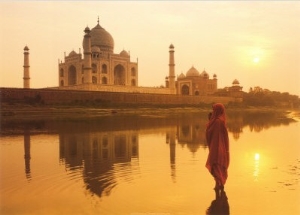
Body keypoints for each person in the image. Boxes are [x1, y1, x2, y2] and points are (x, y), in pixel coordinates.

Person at [205, 103, 230, 190]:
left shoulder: (217, 122)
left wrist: (210, 122)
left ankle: (219, 184)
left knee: (215, 164)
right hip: (221, 148)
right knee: (217, 165)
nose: (213, 111)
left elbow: (210, 132)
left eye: (214, 110)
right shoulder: (220, 121)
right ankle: (219, 184)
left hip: (217, 147)